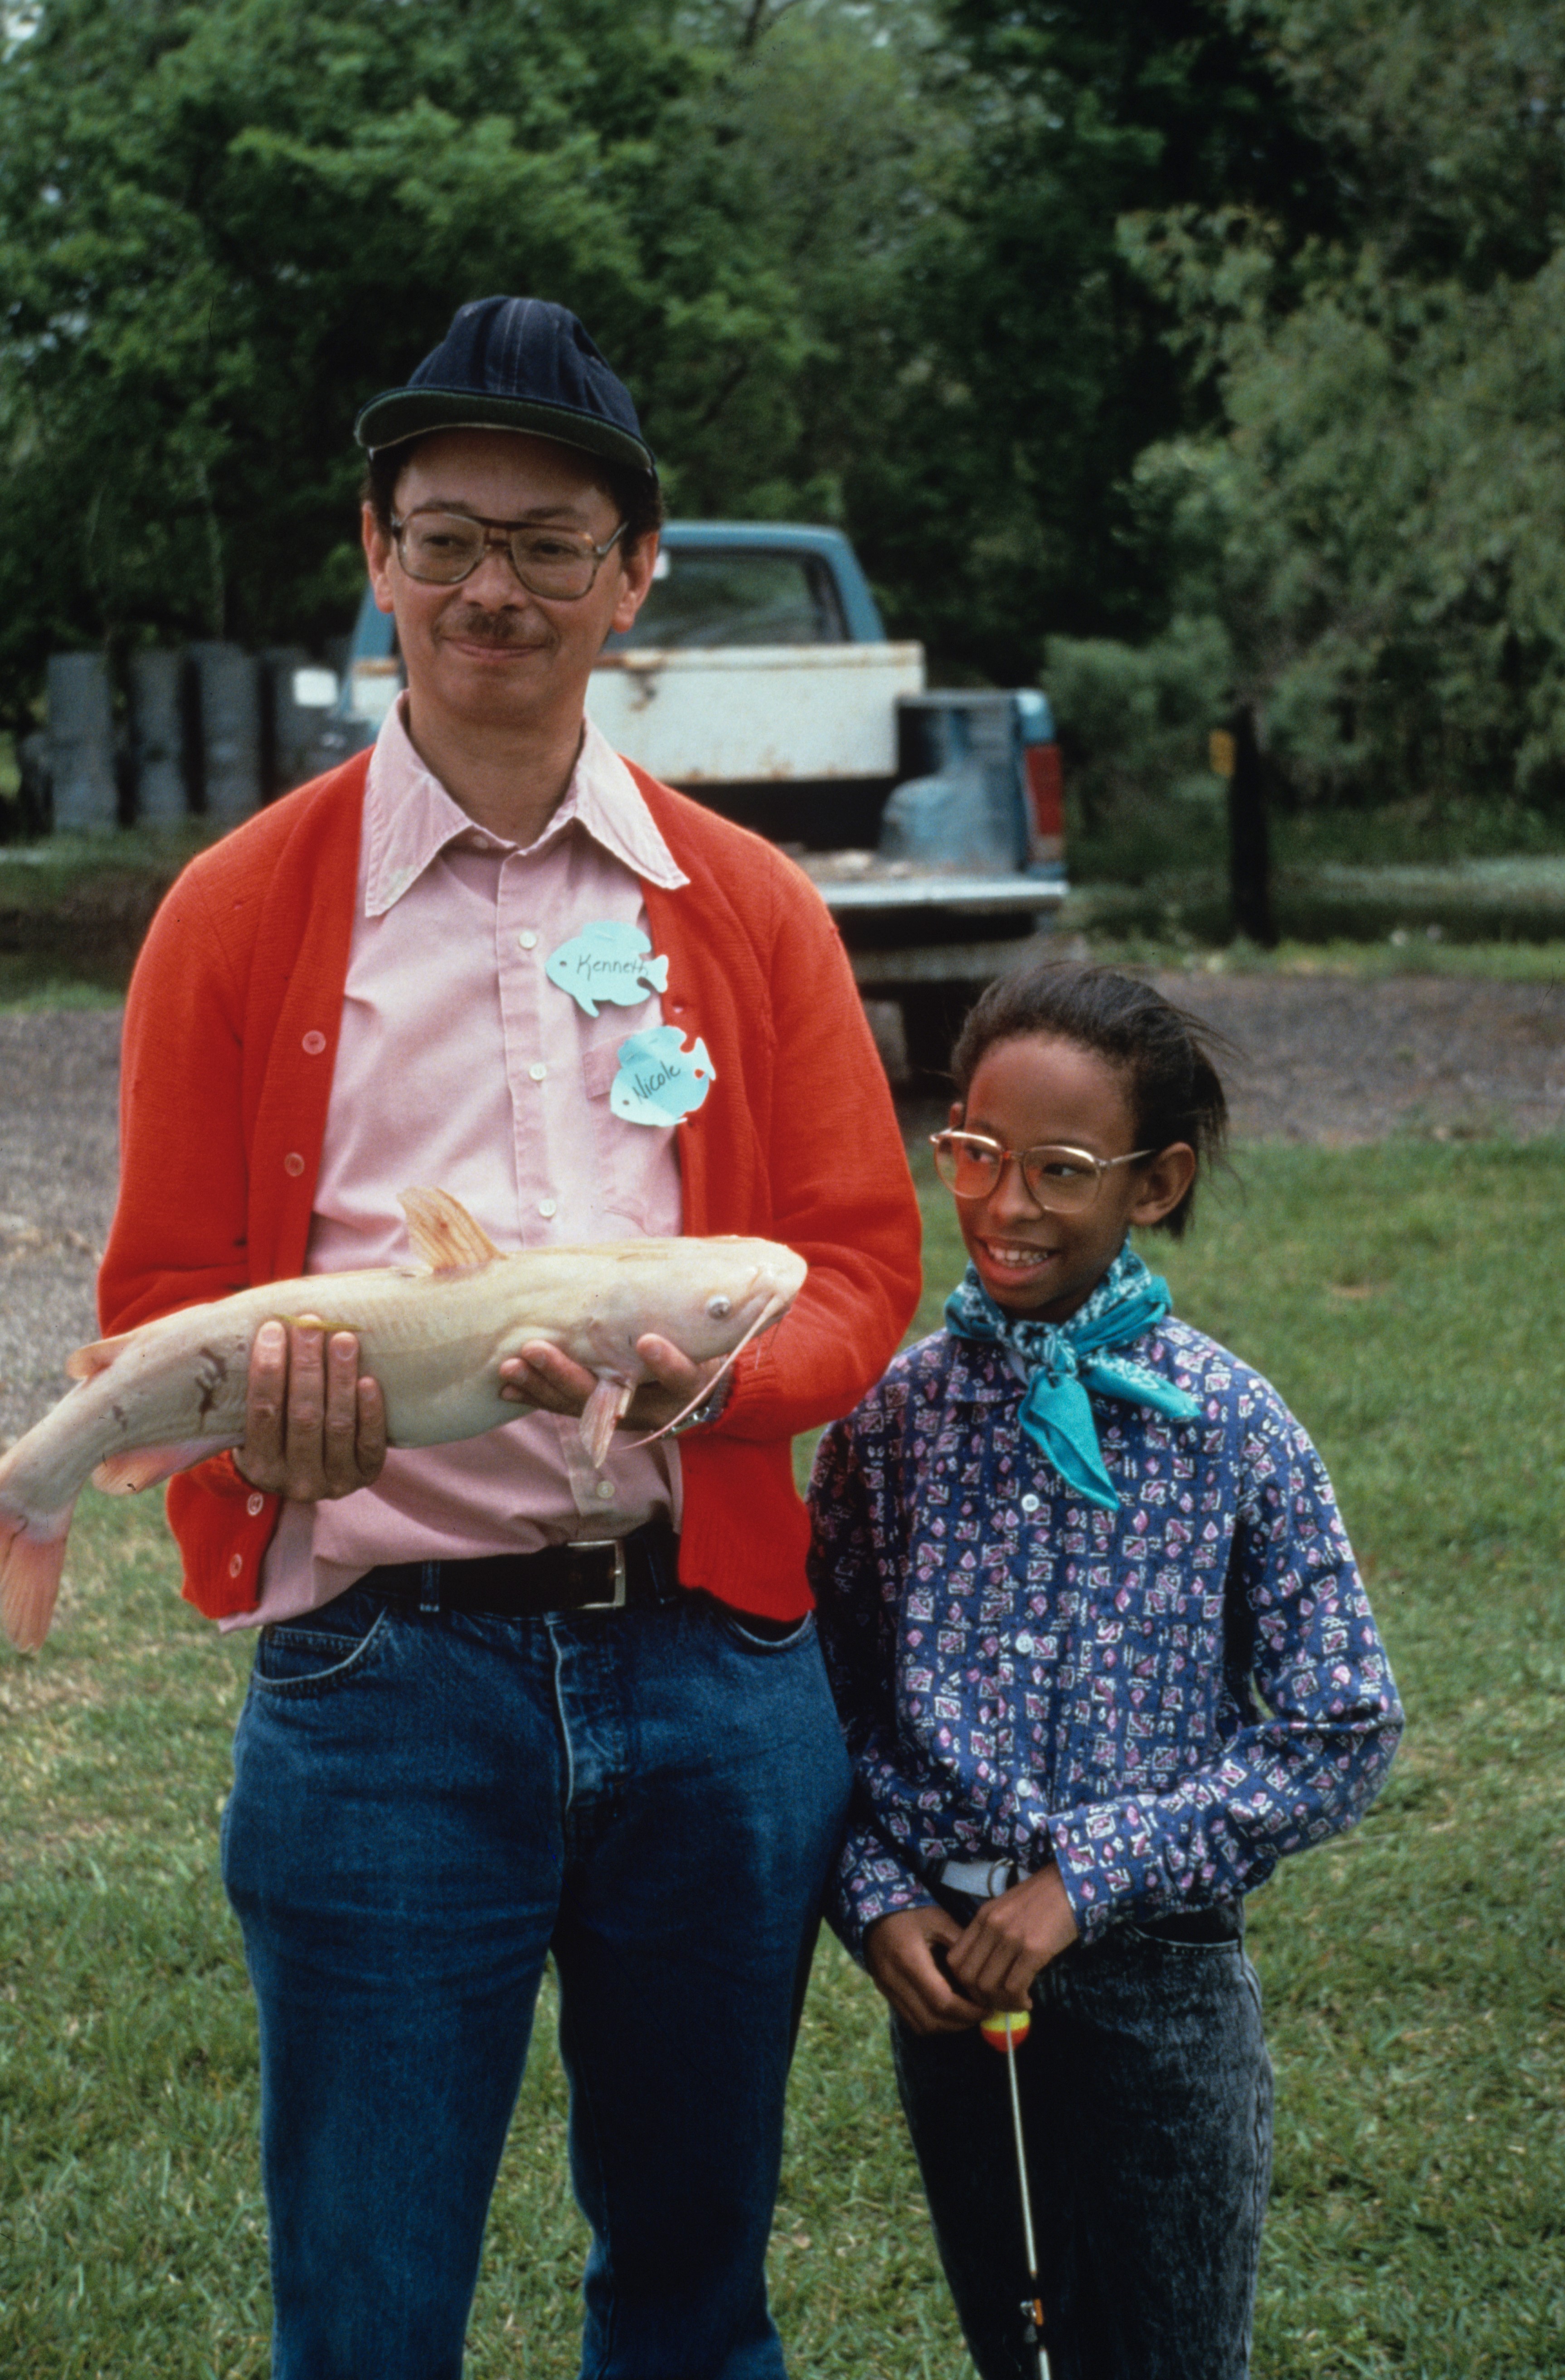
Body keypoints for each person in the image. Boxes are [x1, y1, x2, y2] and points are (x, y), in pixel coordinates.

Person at [98, 295, 921, 2380]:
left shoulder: (748, 905)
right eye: (449, 537)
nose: (495, 589)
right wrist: (261, 1436)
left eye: (552, 544)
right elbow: (160, 1297)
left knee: (691, 2295)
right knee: (368, 2313)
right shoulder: (234, 911)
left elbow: (852, 1263)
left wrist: (711, 1380)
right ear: (375, 555)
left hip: (712, 1676)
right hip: (383, 1688)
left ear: (631, 577)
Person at [807, 961, 1403, 2380]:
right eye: (976, 1153)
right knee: (1019, 2349)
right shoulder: (890, 1424)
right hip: (950, 1994)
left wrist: (1088, 1875)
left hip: (1158, 1992)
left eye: (1060, 1170)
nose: (1005, 1204)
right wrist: (874, 1897)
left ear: (1155, 1182)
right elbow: (818, 1702)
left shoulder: (1230, 1425)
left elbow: (1342, 1722)